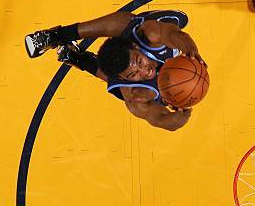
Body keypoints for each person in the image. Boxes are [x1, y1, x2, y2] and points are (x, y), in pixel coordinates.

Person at [25, 10, 205, 131]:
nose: (144, 71)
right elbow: (162, 120)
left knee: (125, 23)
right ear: (125, 78)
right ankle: (77, 58)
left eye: (139, 61)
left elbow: (175, 35)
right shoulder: (136, 97)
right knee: (123, 88)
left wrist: (191, 50)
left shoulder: (150, 34)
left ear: (136, 47)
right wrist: (182, 114)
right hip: (145, 85)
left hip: (143, 27)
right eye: (133, 74)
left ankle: (57, 35)